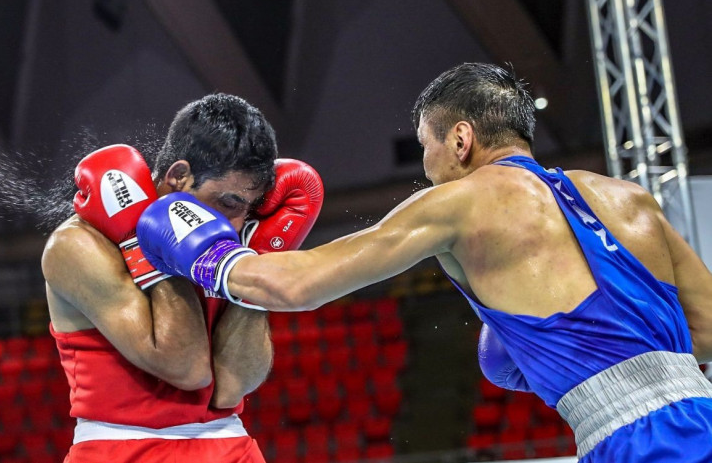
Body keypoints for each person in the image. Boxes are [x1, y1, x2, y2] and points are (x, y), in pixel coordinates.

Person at [135, 63, 712, 462]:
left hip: (639, 445)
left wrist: (202, 248)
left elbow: (298, 287)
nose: (427, 168)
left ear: (461, 139)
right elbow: (704, 335)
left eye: (426, 147)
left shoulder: (459, 203)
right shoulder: (630, 200)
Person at [40, 93, 324, 462]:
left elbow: (233, 386)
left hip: (231, 445)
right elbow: (185, 369)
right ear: (178, 176)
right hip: (123, 449)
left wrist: (261, 263)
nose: (235, 224)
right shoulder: (78, 244)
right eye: (228, 202)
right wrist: (142, 245)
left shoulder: (230, 243)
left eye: (248, 209)